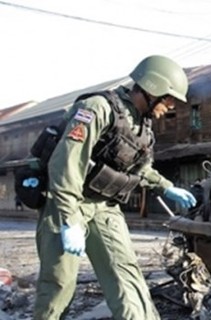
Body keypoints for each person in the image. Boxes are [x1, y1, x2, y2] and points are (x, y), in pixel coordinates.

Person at [33, 55, 197, 319]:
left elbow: (139, 168)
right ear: (152, 87)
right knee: (58, 285)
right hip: (68, 203)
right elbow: (66, 165)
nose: (170, 106)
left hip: (104, 207)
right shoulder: (96, 108)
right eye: (168, 98)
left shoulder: (142, 127)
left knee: (126, 276)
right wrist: (68, 218)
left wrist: (165, 187)